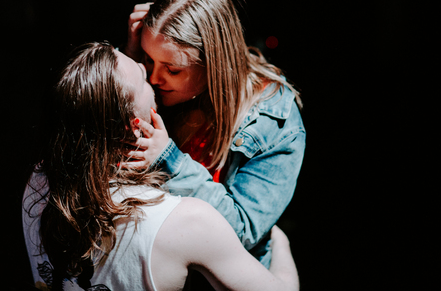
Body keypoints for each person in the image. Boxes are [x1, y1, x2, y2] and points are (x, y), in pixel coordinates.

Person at [22, 41, 299, 291]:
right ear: (135, 127)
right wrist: (280, 242)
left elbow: (98, 102)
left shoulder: (39, 181)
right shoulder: (188, 222)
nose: (153, 76)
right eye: (143, 77)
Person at [122, 0, 306, 268]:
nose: (155, 79)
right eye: (149, 59)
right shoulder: (149, 81)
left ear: (215, 64)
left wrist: (169, 160)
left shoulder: (274, 119)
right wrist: (131, 65)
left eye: (172, 69)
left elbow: (243, 230)